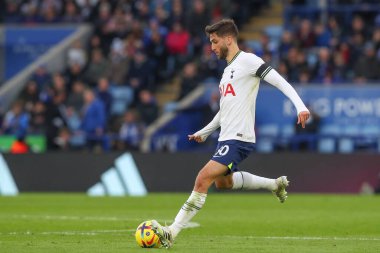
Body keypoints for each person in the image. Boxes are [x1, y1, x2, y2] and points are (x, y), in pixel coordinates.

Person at [151, 19, 310, 248]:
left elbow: (280, 81)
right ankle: (275, 185)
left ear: (228, 39)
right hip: (225, 137)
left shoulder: (249, 61)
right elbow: (224, 111)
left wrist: (300, 106)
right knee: (222, 184)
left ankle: (171, 232)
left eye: (215, 42)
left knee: (202, 178)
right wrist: (204, 132)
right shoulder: (227, 72)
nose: (212, 47)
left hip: (239, 138)